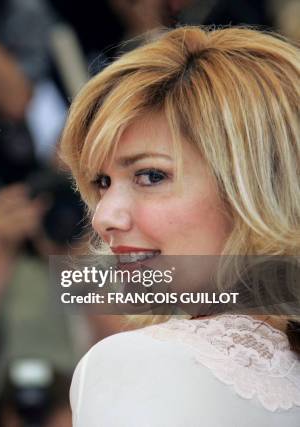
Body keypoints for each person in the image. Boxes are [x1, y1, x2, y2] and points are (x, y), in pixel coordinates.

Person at [59, 26, 300, 425]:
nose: (103, 218)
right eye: (101, 183)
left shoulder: (136, 365)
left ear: (257, 186)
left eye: (151, 176)